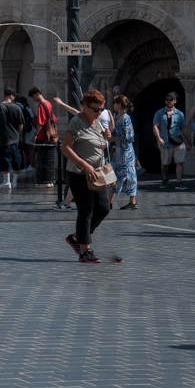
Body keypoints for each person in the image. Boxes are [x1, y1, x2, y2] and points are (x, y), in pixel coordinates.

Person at [60, 90, 117, 263]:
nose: (99, 112)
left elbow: (100, 143)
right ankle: (85, 250)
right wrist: (84, 165)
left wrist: (107, 136)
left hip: (98, 173)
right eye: (95, 109)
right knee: (86, 211)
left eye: (101, 109)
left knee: (104, 208)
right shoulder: (76, 123)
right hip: (79, 174)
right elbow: (65, 148)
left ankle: (77, 236)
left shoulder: (97, 122)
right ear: (84, 107)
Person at [0, 90, 28, 190]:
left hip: (4, 138)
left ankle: (7, 181)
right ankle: (15, 182)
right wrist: (20, 136)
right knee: (16, 160)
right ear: (11, 96)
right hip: (16, 138)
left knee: (5, 159)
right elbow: (21, 124)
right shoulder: (17, 107)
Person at [154, 91, 187, 191]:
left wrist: (188, 141)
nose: (169, 101)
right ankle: (165, 178)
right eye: (167, 100)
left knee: (179, 162)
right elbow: (155, 126)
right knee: (165, 163)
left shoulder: (179, 114)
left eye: (171, 100)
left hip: (177, 141)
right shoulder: (159, 113)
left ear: (175, 101)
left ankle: (178, 182)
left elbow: (184, 128)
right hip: (165, 142)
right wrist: (158, 138)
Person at [110, 95, 139, 211]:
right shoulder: (118, 116)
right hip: (119, 152)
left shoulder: (125, 118)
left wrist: (114, 138)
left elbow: (128, 137)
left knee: (128, 175)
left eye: (115, 102)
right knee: (114, 175)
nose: (113, 105)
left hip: (125, 152)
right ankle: (109, 201)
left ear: (119, 104)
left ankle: (132, 201)